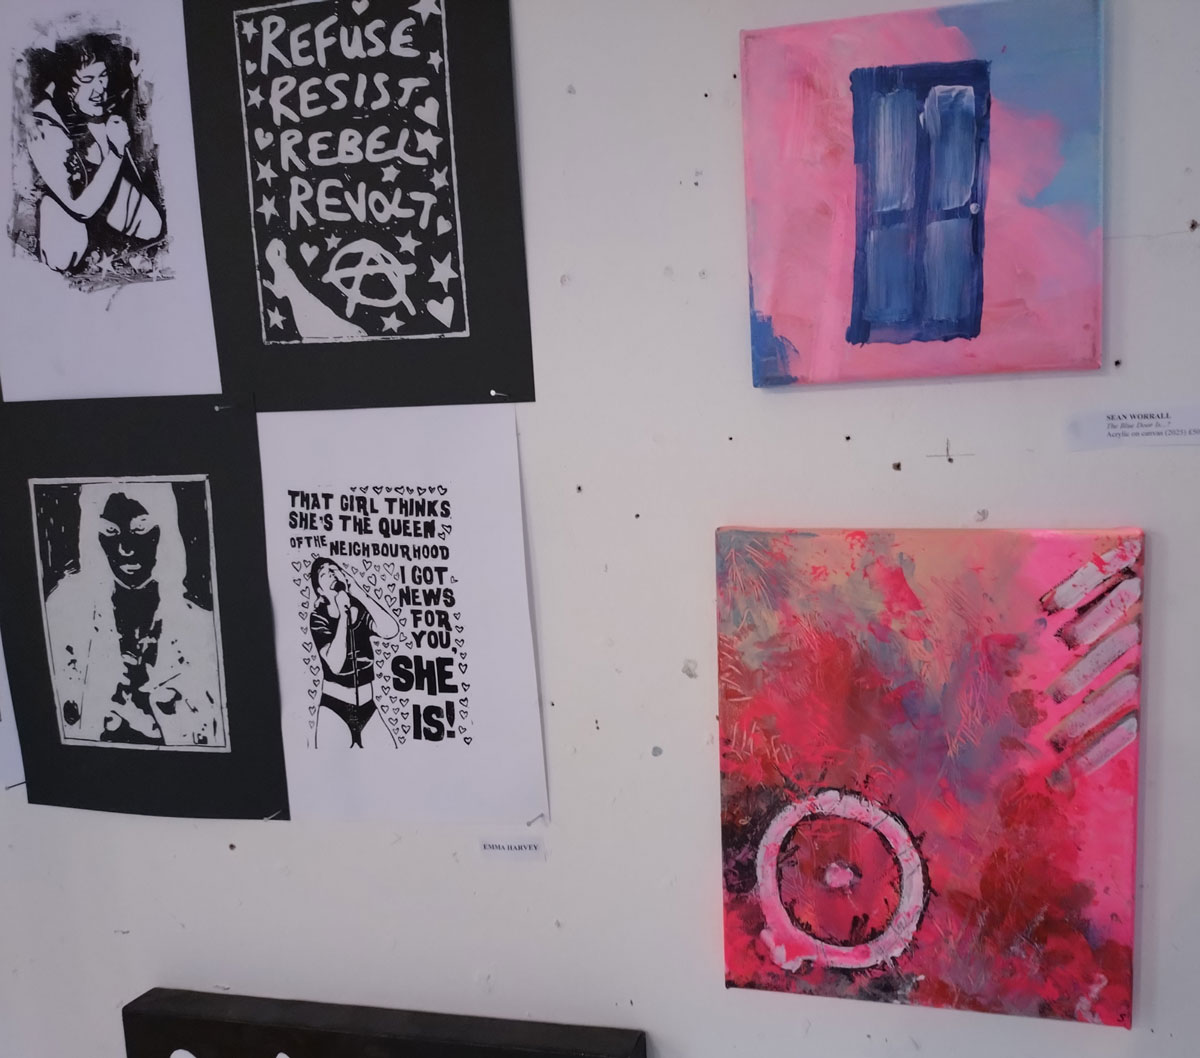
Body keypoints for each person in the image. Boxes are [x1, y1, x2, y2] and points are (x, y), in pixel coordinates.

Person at [44, 482, 224, 748]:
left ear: (165, 528)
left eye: (140, 529)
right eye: (110, 531)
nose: (125, 548)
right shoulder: (64, 612)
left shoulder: (200, 626)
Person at [24, 36, 163, 273]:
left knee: (151, 225)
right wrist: (116, 152)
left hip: (96, 187)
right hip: (66, 202)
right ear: (64, 84)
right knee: (63, 256)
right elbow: (81, 206)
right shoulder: (44, 126)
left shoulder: (89, 105)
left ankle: (103, 243)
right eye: (87, 80)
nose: (100, 88)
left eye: (102, 76)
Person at [309, 557, 400, 748]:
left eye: (335, 569)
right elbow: (335, 664)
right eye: (324, 574)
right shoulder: (319, 618)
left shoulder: (359, 610)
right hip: (335, 705)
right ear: (320, 591)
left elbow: (391, 631)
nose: (332, 573)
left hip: (368, 704)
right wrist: (343, 615)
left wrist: (360, 593)